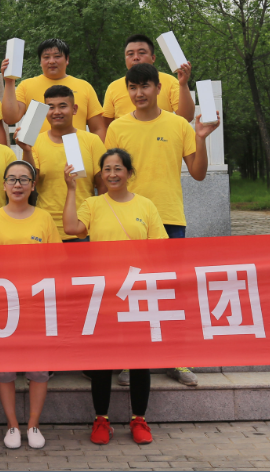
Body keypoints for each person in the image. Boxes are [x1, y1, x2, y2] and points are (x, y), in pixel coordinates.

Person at [105, 62, 221, 388]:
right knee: (129, 292)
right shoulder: (117, 128)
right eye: (133, 87)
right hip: (128, 220)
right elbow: (110, 178)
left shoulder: (178, 124)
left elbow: (198, 173)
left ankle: (176, 359)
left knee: (170, 291)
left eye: (145, 86)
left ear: (158, 88)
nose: (139, 93)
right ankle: (130, 359)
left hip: (169, 218)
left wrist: (201, 138)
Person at [62, 148, 166, 446]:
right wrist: (71, 189)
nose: (112, 174)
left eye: (118, 168)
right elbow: (71, 228)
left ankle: (139, 418)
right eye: (107, 169)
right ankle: (101, 419)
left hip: (136, 293)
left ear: (129, 173)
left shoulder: (146, 205)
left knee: (139, 360)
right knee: (102, 360)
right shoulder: (93, 203)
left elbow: (162, 249)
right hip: (103, 295)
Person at [0, 160, 60, 450]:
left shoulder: (44, 218)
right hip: (2, 306)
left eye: (24, 179)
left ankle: (33, 424)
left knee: (39, 370)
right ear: (4, 185)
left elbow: (58, 261)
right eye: (12, 179)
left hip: (36, 306)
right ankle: (12, 425)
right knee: (4, 371)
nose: (17, 184)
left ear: (33, 185)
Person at [23, 85, 106, 242]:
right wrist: (26, 151)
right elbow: (31, 183)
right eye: (50, 107)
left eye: (62, 106)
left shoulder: (92, 141)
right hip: (47, 228)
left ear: (74, 109)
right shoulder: (34, 143)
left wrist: (99, 220)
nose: (56, 112)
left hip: (83, 228)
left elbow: (103, 185)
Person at [1, 38, 105, 142]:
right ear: (40, 61)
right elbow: (10, 119)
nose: (51, 61)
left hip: (76, 150)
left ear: (67, 59)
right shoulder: (26, 86)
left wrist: (97, 150)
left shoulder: (84, 86)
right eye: (46, 57)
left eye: (57, 56)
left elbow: (98, 128)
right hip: (37, 151)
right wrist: (9, 82)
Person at [102, 34, 193, 128]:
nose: (136, 57)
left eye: (141, 53)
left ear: (153, 58)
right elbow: (106, 125)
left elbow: (187, 117)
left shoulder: (170, 81)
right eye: (130, 54)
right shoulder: (113, 87)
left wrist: (183, 85)